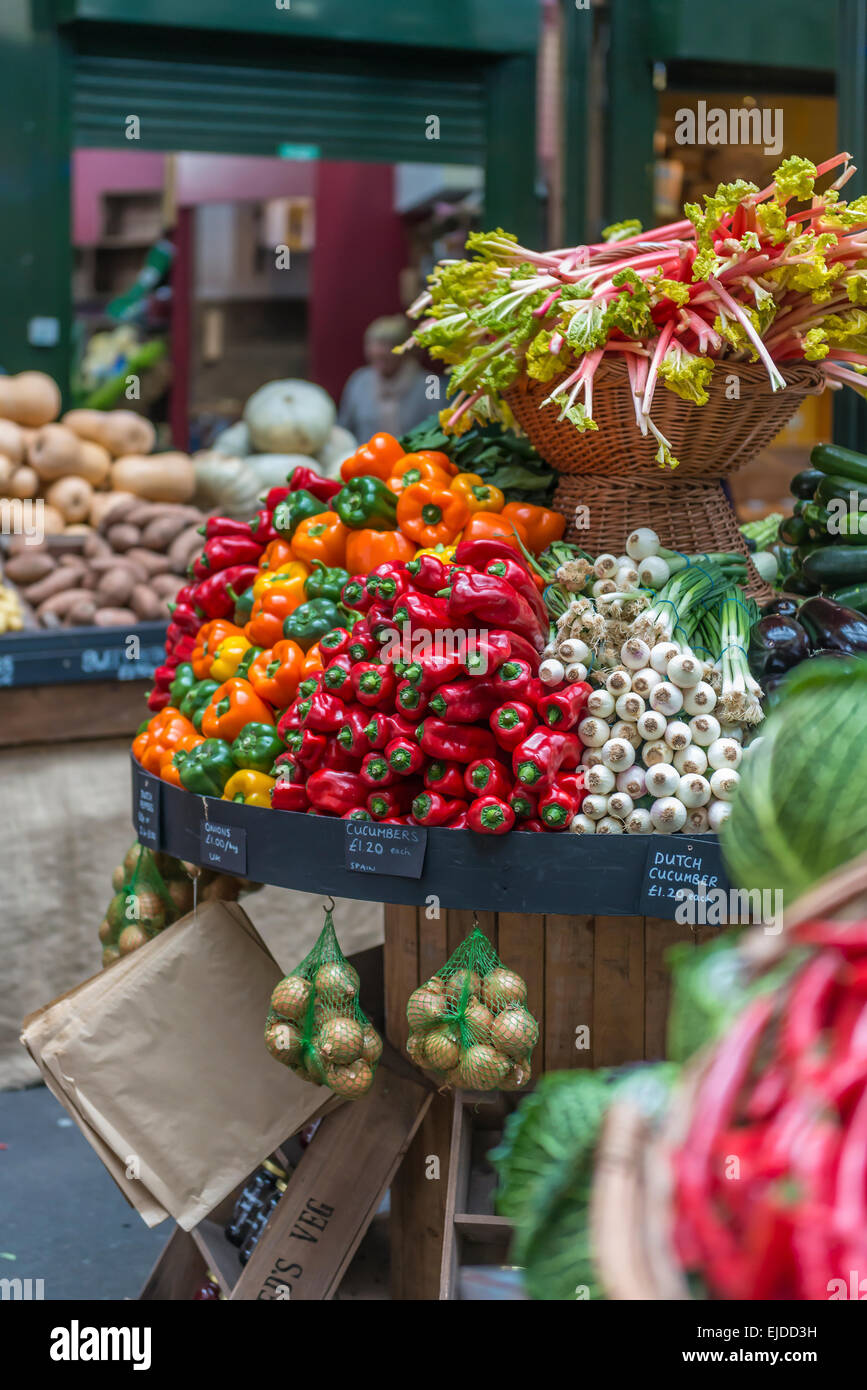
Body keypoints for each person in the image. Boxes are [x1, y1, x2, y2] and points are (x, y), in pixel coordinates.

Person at [338, 316, 441, 440]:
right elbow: (344, 430)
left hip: (414, 458)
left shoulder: (431, 383)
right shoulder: (360, 380)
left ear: (405, 349)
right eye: (372, 344)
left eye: (387, 345)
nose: (377, 352)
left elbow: (438, 429)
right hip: (366, 456)